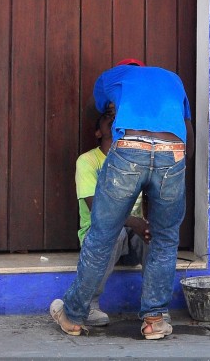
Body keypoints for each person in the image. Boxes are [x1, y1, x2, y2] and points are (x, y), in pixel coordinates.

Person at [50, 58, 194, 341]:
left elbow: (105, 106)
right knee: (164, 239)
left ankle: (74, 314)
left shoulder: (112, 76)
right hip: (173, 148)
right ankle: (155, 321)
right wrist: (178, 166)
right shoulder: (172, 79)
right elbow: (187, 126)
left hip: (130, 146)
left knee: (102, 234)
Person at [75, 108, 150, 326]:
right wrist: (135, 222)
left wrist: (147, 224)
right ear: (98, 132)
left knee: (153, 234)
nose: (114, 119)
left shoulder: (136, 162)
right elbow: (97, 209)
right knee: (113, 232)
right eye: (108, 117)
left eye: (118, 117)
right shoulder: (87, 161)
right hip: (98, 235)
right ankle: (88, 304)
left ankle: (154, 309)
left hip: (132, 237)